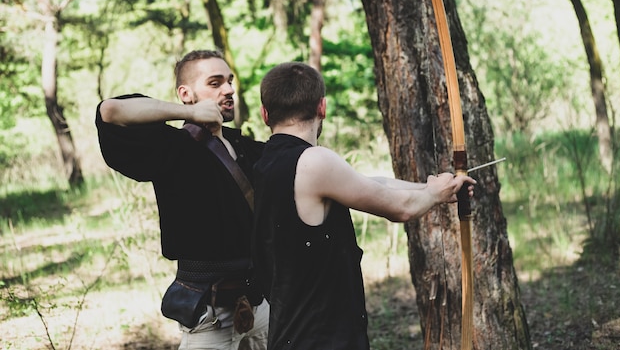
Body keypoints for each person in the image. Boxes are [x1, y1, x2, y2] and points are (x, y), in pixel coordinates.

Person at [252, 61, 476, 350]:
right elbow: (401, 209)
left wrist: (434, 189)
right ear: (322, 107)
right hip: (321, 339)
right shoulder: (315, 161)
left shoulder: (268, 162)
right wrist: (432, 195)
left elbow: (370, 185)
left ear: (264, 114)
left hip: (294, 335)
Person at [96, 50, 269, 350]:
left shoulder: (248, 148)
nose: (228, 90)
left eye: (229, 81)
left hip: (261, 304)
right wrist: (188, 114)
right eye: (215, 83)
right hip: (209, 314)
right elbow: (110, 111)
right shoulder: (172, 149)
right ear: (186, 93)